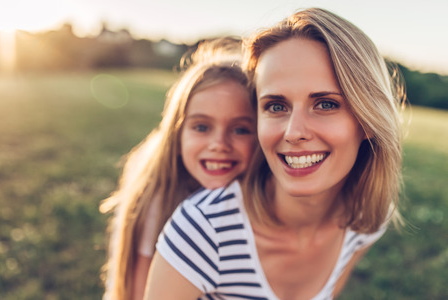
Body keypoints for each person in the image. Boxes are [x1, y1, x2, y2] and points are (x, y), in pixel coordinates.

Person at [144, 7, 405, 300]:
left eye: (326, 104)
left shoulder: (369, 216)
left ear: (368, 120)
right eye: (276, 106)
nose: (294, 132)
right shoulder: (203, 231)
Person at [100, 37, 257, 300]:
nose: (219, 144)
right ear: (178, 133)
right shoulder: (161, 198)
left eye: (241, 129)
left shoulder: (265, 193)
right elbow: (138, 293)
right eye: (201, 127)